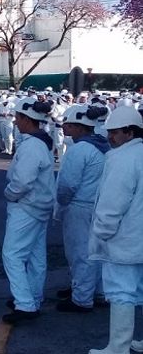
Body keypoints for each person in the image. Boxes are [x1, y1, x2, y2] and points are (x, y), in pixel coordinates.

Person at [88, 106, 143, 354]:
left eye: (115, 133)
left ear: (129, 133)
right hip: (137, 237)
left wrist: (102, 233)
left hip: (125, 239)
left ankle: (118, 349)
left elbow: (112, 203)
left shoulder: (123, 159)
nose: (110, 137)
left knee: (121, 292)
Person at [1, 97, 55, 324]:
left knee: (12, 254)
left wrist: (9, 194)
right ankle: (32, 296)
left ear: (27, 119)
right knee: (35, 256)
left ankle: (24, 303)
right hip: (39, 205)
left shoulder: (32, 145)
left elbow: (22, 182)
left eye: (18, 117)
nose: (15, 121)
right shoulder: (40, 141)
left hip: (27, 206)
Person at [54, 105, 109, 314]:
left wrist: (62, 204)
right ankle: (97, 292)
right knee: (98, 252)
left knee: (80, 253)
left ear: (79, 127)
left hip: (80, 206)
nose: (64, 128)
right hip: (97, 205)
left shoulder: (80, 149)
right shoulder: (102, 146)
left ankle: (82, 298)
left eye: (68, 125)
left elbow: (67, 185)